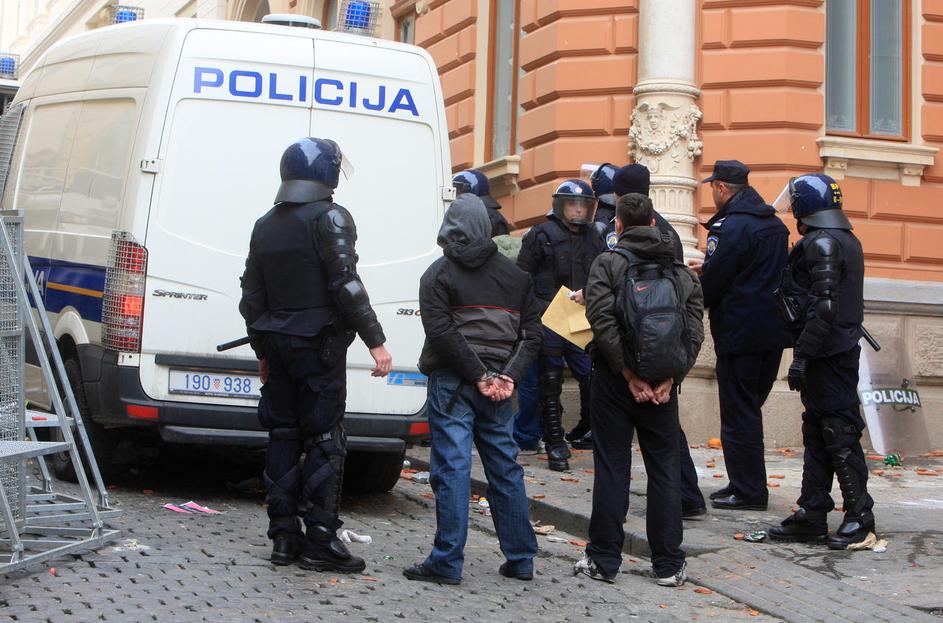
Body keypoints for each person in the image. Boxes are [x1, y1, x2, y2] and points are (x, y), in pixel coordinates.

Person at [239, 137, 393, 573]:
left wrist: (262, 348)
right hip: (317, 347)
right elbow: (346, 284)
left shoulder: (265, 224)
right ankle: (320, 541)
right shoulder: (331, 217)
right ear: (326, 172)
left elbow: (252, 295)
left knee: (283, 434)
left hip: (277, 342)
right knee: (326, 438)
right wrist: (376, 341)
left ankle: (283, 538)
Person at [404, 193, 542, 585]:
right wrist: (506, 376)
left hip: (454, 382)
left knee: (452, 467)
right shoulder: (517, 277)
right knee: (505, 468)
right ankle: (521, 558)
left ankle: (447, 561)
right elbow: (532, 335)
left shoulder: (437, 274)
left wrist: (478, 374)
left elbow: (442, 332)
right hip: (499, 386)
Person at [578, 193, 704, 586]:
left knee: (612, 468)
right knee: (665, 471)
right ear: (653, 223)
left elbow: (602, 322)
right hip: (662, 386)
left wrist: (626, 373)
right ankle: (668, 564)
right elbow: (694, 332)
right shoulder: (681, 272)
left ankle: (603, 560)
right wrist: (671, 379)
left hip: (615, 383)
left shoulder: (608, 264)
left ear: (617, 225)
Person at [767, 174, 874, 550]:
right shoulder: (838, 238)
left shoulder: (823, 242)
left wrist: (802, 357)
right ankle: (812, 513)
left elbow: (824, 307)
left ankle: (860, 518)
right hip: (829, 351)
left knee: (839, 433)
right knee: (817, 431)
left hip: (830, 354)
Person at [687, 160, 790, 512]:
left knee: (738, 413)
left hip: (739, 332)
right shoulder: (773, 225)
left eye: (713, 188)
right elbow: (757, 269)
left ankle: (748, 490)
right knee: (749, 409)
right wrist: (711, 267)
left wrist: (698, 288)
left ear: (721, 188)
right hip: (771, 332)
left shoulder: (729, 226)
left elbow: (718, 281)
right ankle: (744, 483)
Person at [611, 163, 707, 518]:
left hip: (634, 345)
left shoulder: (623, 235)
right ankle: (687, 496)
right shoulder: (668, 233)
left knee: (646, 440)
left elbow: (611, 299)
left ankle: (682, 497)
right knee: (666, 433)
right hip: (664, 344)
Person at [517, 179, 606, 471]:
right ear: (561, 206)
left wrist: (590, 295)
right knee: (550, 380)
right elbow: (522, 278)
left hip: (582, 316)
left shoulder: (595, 237)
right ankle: (555, 442)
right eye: (573, 204)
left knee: (591, 375)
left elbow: (604, 276)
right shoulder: (540, 235)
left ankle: (590, 429)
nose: (578, 210)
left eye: (583, 205)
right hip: (549, 317)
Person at [452, 169, 511, 237]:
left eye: (458, 191)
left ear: (470, 190)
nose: (456, 195)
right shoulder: (462, 215)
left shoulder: (490, 217)